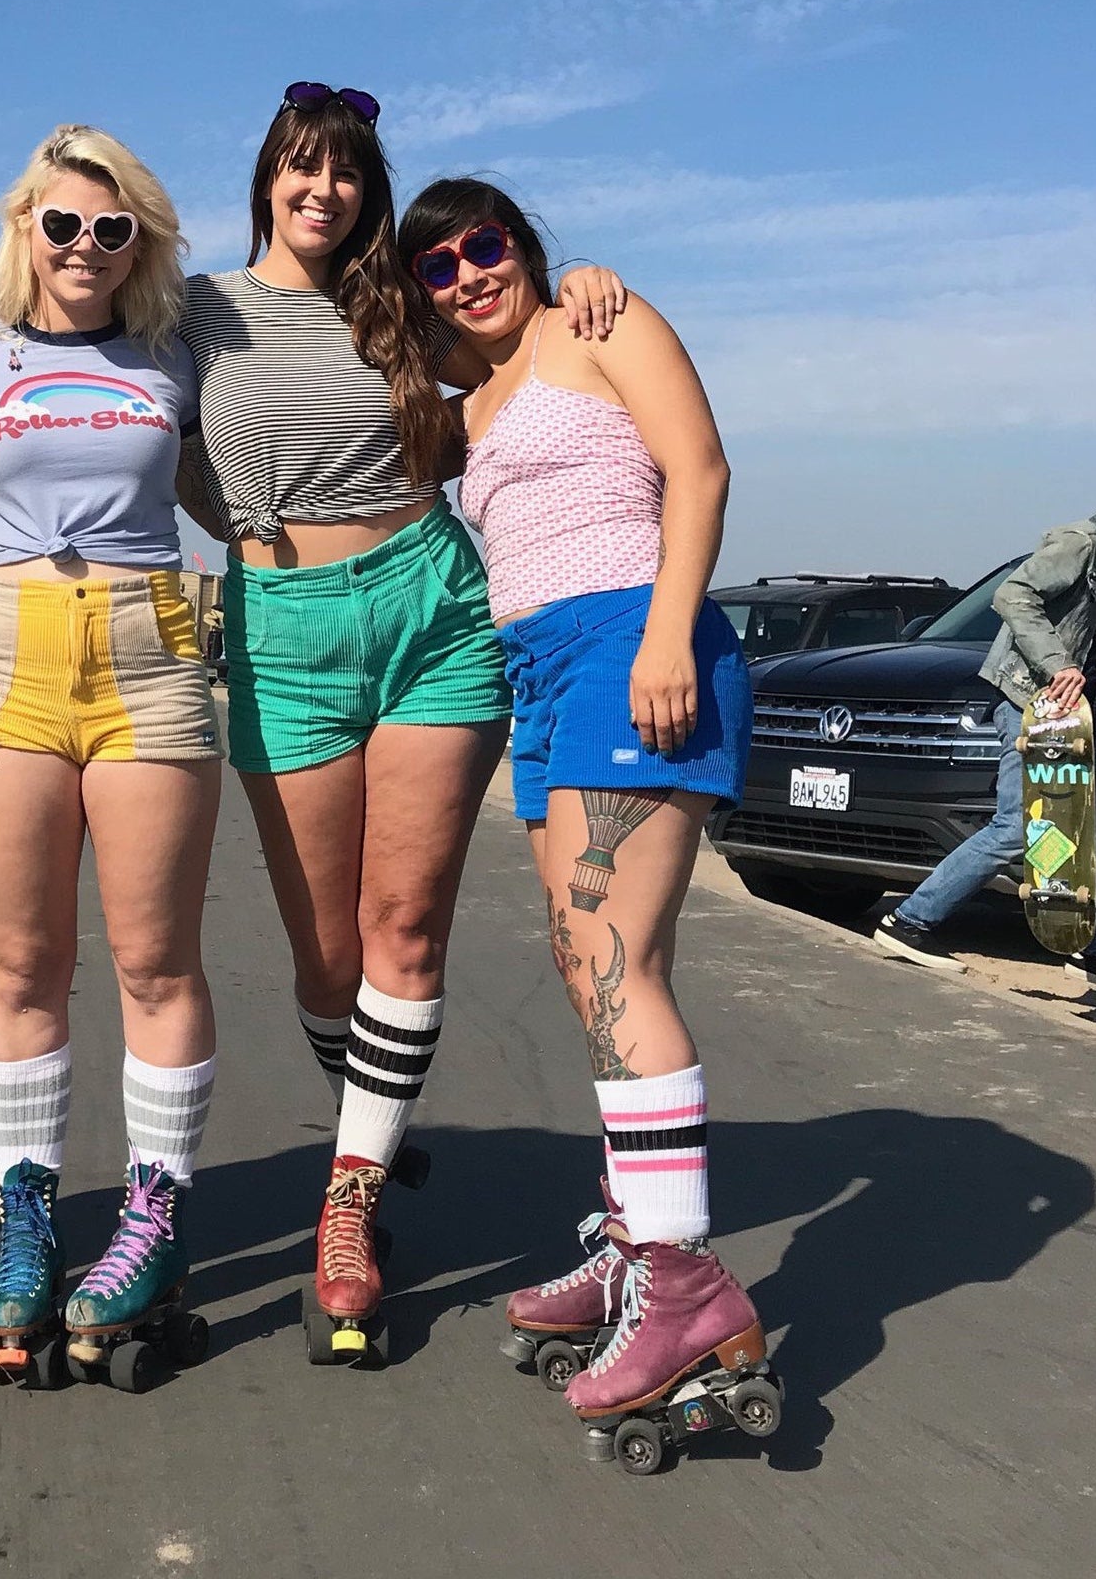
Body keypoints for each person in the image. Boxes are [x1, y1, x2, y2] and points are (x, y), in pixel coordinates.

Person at [174, 84, 626, 1343]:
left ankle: (348, 1194)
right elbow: (94, 360)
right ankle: (372, 1125)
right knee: (327, 954)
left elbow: (520, 331)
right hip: (281, 621)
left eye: (348, 175)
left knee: (402, 923)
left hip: (430, 600)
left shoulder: (401, 308)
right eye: (302, 169)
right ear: (267, 174)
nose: (324, 192)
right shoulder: (196, 309)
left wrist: (578, 276)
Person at [399, 175, 767, 1424]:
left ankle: (680, 1283)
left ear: (526, 244)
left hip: (630, 644)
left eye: (484, 245)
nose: (467, 274)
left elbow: (700, 472)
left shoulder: (598, 324)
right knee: (581, 967)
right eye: (438, 266)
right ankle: (635, 1234)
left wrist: (666, 635)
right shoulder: (467, 399)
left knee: (621, 966)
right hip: (539, 675)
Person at [0, 126, 221, 1376]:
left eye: (111, 230)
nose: (83, 248)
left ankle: (151, 1216)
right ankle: (26, 1218)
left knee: (155, 960)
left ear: (140, 243)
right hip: (13, 649)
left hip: (150, 641)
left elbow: (282, 431)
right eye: (61, 225)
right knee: (21, 962)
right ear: (24, 229)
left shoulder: (176, 347)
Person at [873, 504, 1096, 985]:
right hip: (1031, 700)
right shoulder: (1082, 544)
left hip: (1070, 713)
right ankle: (910, 921)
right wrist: (1057, 663)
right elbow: (1013, 594)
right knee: (1018, 826)